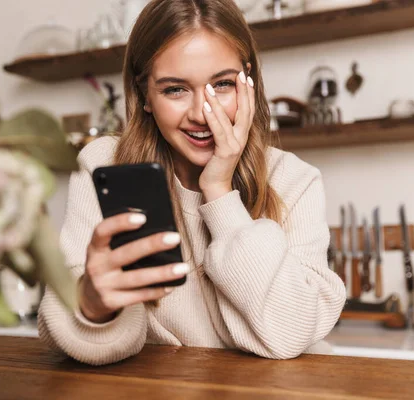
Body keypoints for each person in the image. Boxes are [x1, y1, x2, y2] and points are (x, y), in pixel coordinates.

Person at [38, 0, 346, 366]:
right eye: (175, 90)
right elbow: (63, 325)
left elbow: (289, 333)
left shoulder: (294, 180)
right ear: (144, 95)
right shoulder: (107, 165)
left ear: (248, 83)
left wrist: (219, 190)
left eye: (223, 84)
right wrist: (91, 303)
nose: (202, 113)